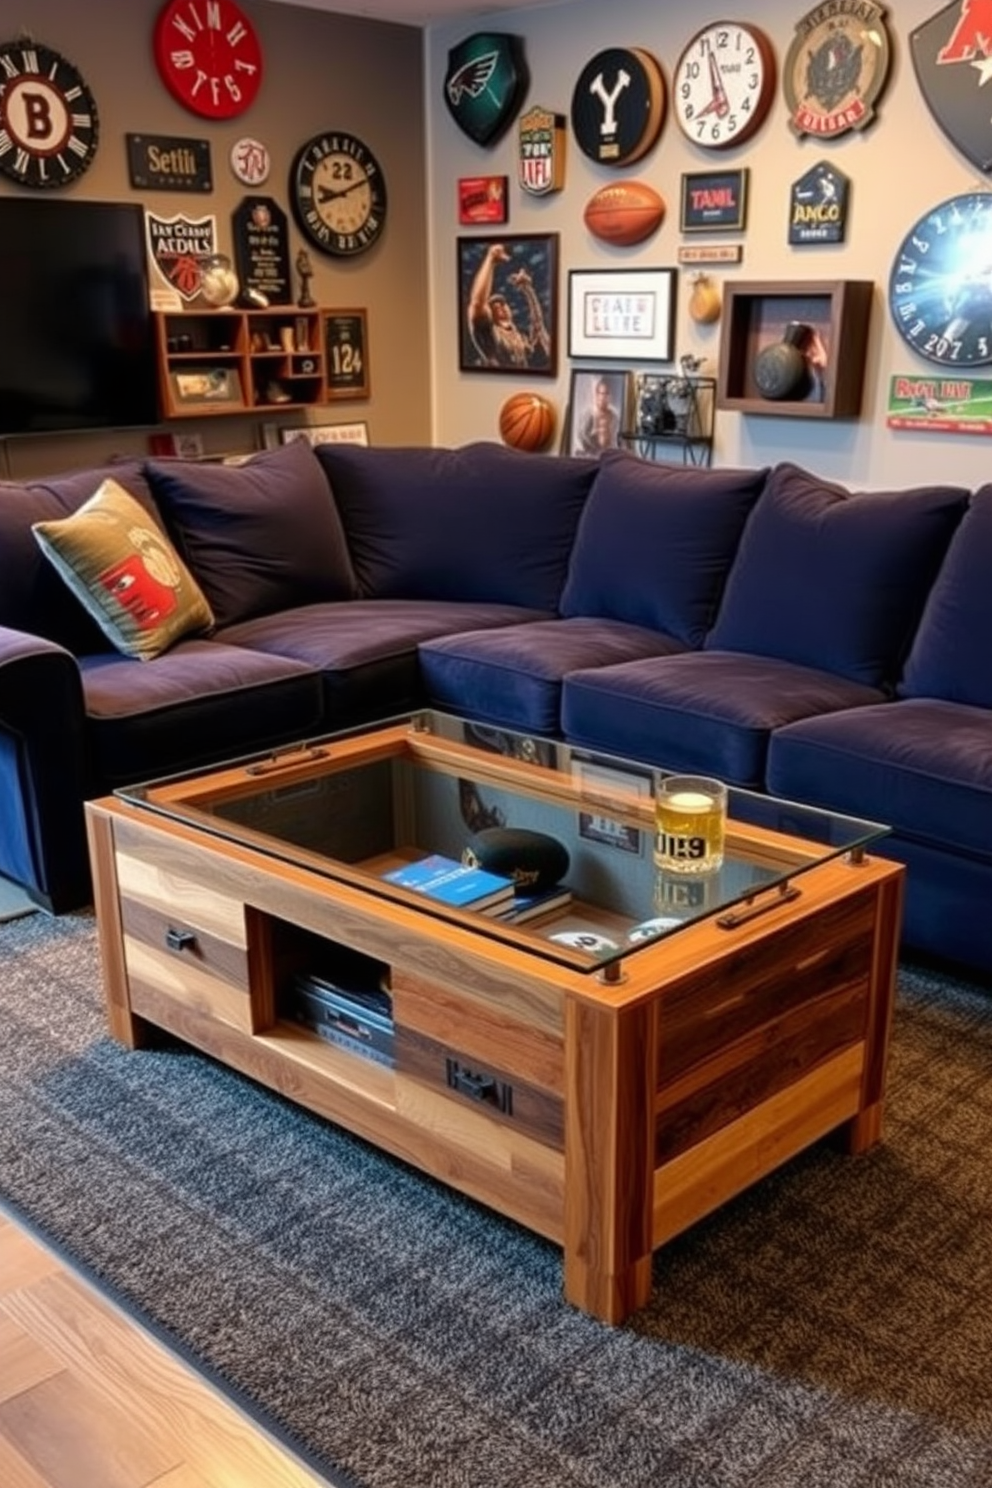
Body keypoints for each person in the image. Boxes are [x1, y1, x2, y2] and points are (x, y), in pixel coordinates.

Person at [465, 242, 550, 369]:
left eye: (503, 304)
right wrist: (491, 259)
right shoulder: (491, 336)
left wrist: (528, 290)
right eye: (494, 306)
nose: (499, 307)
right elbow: (477, 304)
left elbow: (538, 326)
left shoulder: (521, 338)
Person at [575, 375, 620, 454]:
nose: (603, 397)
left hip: (608, 455)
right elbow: (581, 436)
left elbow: (615, 438)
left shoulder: (614, 416)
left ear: (610, 396)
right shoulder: (587, 414)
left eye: (607, 394)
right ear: (597, 395)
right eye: (601, 393)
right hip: (590, 455)